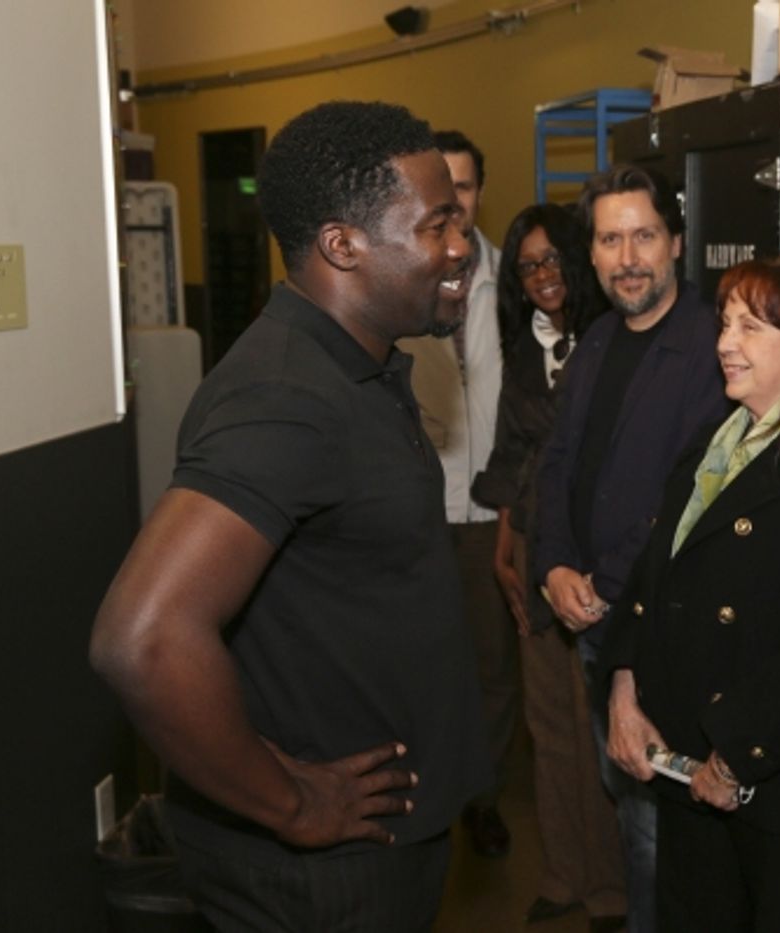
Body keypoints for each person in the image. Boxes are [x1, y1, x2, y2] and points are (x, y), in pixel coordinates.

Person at [89, 101, 491, 932]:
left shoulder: (356, 367)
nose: (460, 248)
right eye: (436, 225)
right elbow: (143, 638)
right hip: (323, 876)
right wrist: (289, 803)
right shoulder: (283, 398)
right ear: (342, 246)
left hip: (377, 845)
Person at [602, 256, 780, 932]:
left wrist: (736, 757)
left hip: (772, 787)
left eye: (751, 327)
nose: (725, 343)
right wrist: (624, 688)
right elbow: (653, 576)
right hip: (684, 770)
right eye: (725, 323)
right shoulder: (715, 441)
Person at [534, 164, 732, 933]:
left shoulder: (715, 350)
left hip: (659, 633)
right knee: (629, 810)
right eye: (611, 240)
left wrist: (608, 593)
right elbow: (557, 466)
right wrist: (551, 562)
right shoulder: (596, 346)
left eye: (644, 235)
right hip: (591, 617)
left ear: (677, 242)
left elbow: (685, 509)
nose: (628, 257)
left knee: (657, 831)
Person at [471, 202, 627, 930]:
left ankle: (610, 887)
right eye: (527, 265)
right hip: (533, 543)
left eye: (551, 259)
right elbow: (510, 450)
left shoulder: (610, 338)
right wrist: (506, 542)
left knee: (593, 715)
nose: (541, 276)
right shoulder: (523, 344)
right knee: (548, 719)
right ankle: (564, 872)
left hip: (591, 553)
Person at [397, 128, 518, 859]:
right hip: (417, 505)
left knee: (494, 665)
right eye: (440, 188)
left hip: (490, 510)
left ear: (478, 193)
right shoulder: (398, 281)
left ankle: (484, 794)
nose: (454, 202)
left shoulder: (516, 279)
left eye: (465, 187)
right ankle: (421, 789)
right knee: (417, 659)